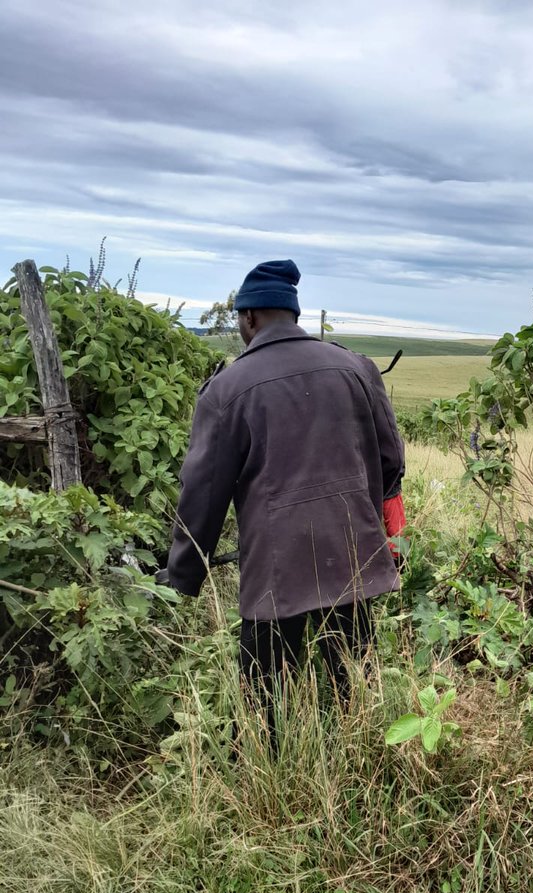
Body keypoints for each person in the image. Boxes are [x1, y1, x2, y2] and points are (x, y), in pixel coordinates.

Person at [162, 259, 406, 722]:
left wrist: (184, 574)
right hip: (352, 555)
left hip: (277, 569)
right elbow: (391, 460)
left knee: (264, 707)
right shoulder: (357, 368)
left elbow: (202, 495)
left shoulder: (226, 390)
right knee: (357, 690)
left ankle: (272, 762)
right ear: (292, 313)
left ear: (249, 317)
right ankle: (364, 755)